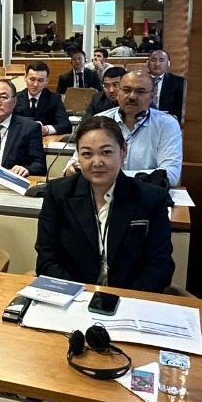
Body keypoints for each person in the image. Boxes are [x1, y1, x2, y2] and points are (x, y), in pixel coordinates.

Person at [35, 116, 173, 292]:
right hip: (74, 297)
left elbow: (160, 266)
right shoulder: (58, 194)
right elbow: (47, 260)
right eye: (87, 154)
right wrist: (82, 296)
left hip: (130, 298)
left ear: (123, 151)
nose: (97, 162)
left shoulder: (151, 198)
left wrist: (121, 298)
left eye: (106, 152)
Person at [73, 71, 183, 186]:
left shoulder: (167, 124)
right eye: (126, 90)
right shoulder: (100, 120)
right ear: (118, 93)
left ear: (152, 96)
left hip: (145, 193)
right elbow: (74, 164)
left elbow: (170, 175)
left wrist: (110, 175)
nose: (132, 97)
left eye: (140, 92)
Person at [15, 61, 67, 135]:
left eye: (40, 80)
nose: (35, 84)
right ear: (25, 78)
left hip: (45, 139)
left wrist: (46, 129)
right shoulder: (15, 98)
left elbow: (66, 126)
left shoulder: (54, 99)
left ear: (46, 81)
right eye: (32, 79)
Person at [146, 49, 186, 121]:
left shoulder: (178, 82)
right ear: (147, 63)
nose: (157, 64)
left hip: (167, 121)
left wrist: (173, 118)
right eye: (153, 60)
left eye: (161, 60)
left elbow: (181, 107)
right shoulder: (139, 81)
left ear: (168, 64)